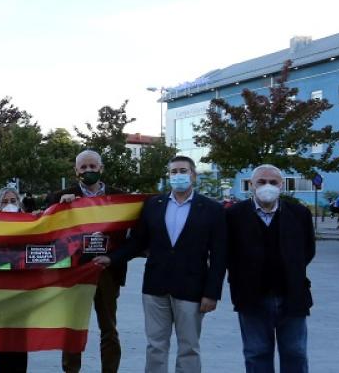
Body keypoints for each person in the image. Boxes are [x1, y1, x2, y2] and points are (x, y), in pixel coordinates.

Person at [94, 155, 226, 373]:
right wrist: (112, 258)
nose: (178, 175)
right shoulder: (154, 205)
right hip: (155, 288)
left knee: (189, 348)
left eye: (183, 171)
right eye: (173, 172)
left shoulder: (212, 209)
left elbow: (220, 255)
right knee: (155, 346)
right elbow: (137, 241)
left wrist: (212, 293)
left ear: (193, 175)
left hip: (192, 289)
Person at [225, 165, 314, 373]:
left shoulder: (299, 213)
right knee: (256, 353)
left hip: (292, 295)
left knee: (296, 352)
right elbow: (227, 253)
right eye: (262, 182)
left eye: (273, 182)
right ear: (251, 186)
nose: (267, 186)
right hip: (250, 296)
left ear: (281, 186)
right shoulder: (234, 215)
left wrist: (290, 270)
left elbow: (307, 251)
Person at [45, 150, 126, 373]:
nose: (88, 171)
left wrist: (113, 258)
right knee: (72, 326)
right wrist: (60, 208)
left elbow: (130, 237)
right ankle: (71, 370)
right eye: (83, 167)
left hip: (107, 271)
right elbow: (47, 231)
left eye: (93, 166)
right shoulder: (60, 197)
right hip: (74, 272)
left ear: (101, 168)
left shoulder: (119, 197)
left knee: (109, 328)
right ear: (76, 170)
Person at [0, 187, 29, 373]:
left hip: (23, 290)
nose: (9, 205)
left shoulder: (32, 224)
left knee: (21, 339)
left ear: (19, 204)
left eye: (13, 201)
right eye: (4, 201)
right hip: (1, 290)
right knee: (4, 339)